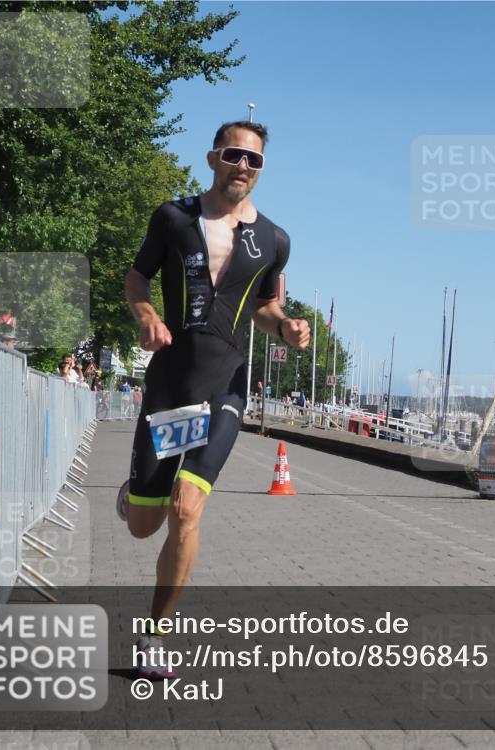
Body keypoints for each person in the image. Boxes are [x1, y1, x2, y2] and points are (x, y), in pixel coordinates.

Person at [117, 119, 310, 678]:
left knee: (187, 509)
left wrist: (289, 329)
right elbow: (136, 280)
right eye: (234, 155)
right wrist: (147, 316)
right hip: (170, 385)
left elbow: (266, 310)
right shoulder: (172, 217)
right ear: (212, 158)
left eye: (254, 161)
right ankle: (135, 493)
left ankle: (155, 637)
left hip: (224, 387)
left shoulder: (274, 240)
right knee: (144, 526)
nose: (243, 167)